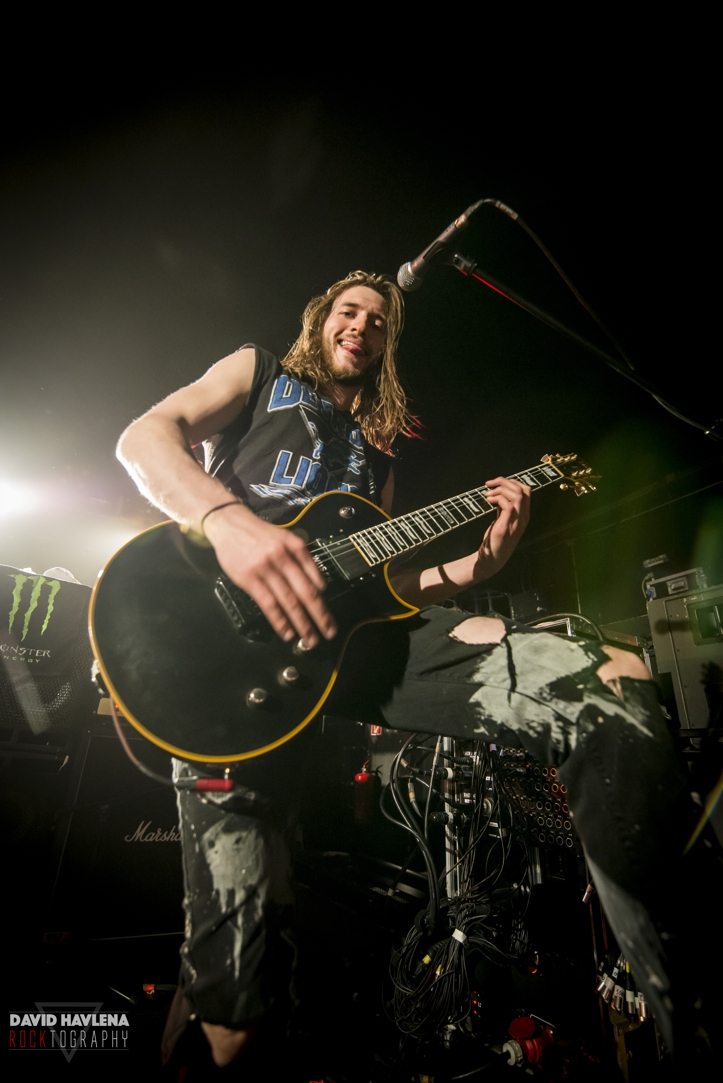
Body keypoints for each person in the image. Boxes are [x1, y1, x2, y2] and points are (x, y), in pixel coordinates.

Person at [117, 271, 717, 1074]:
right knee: (239, 1011)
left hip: (355, 644)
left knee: (610, 679)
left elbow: (389, 591)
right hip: (230, 645)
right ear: (321, 319)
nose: (361, 326)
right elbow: (144, 437)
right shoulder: (258, 371)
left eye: (378, 320)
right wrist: (228, 521)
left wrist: (479, 564)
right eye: (348, 311)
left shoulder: (375, 462)